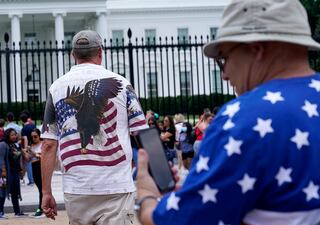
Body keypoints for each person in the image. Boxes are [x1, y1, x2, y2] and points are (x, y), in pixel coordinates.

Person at [136, 0, 320, 224]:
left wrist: (146, 198)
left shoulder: (243, 117)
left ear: (256, 48)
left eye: (224, 58)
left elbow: (181, 221)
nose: (224, 75)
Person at [40, 30, 148, 224]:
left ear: (72, 55)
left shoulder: (56, 88)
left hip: (77, 187)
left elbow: (48, 144)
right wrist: (159, 180)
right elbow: (142, 134)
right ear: (100, 52)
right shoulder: (123, 84)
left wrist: (46, 191)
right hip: (116, 186)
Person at [0, 128, 28, 219]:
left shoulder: (15, 145)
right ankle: (0, 212)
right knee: (2, 190)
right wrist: (3, 170)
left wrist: (20, 169)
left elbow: (18, 158)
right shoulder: (3, 145)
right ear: (7, 135)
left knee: (15, 191)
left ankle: (17, 211)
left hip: (14, 171)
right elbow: (0, 158)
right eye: (12, 135)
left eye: (15, 134)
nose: (14, 136)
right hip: (5, 172)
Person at [28, 128, 44, 218]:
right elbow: (27, 159)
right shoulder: (31, 145)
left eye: (35, 136)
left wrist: (34, 154)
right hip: (34, 167)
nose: (34, 138)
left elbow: (43, 157)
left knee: (42, 188)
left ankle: (40, 208)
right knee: (40, 188)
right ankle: (43, 207)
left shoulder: (42, 144)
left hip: (41, 166)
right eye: (32, 137)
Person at [20, 111, 35, 186]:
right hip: (35, 145)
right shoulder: (32, 125)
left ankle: (31, 180)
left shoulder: (24, 129)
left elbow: (25, 139)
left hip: (28, 146)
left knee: (28, 163)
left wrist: (25, 149)